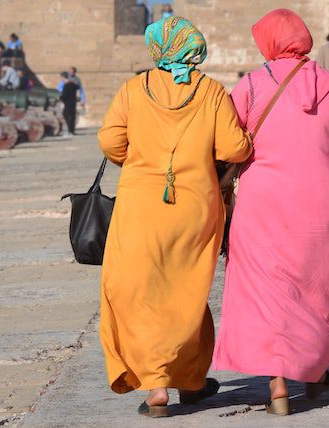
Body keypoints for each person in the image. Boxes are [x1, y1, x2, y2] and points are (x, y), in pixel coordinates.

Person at [212, 9, 329, 416]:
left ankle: (276, 385)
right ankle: (313, 370)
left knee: (267, 295)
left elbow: (224, 143)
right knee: (319, 294)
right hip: (323, 209)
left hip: (262, 209)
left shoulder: (251, 86)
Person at [98, 16, 252, 418]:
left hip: (140, 206)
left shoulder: (134, 89)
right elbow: (235, 148)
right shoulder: (213, 91)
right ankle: (191, 379)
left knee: (138, 291)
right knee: (187, 290)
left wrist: (136, 161)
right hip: (195, 208)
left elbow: (111, 140)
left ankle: (157, 386)